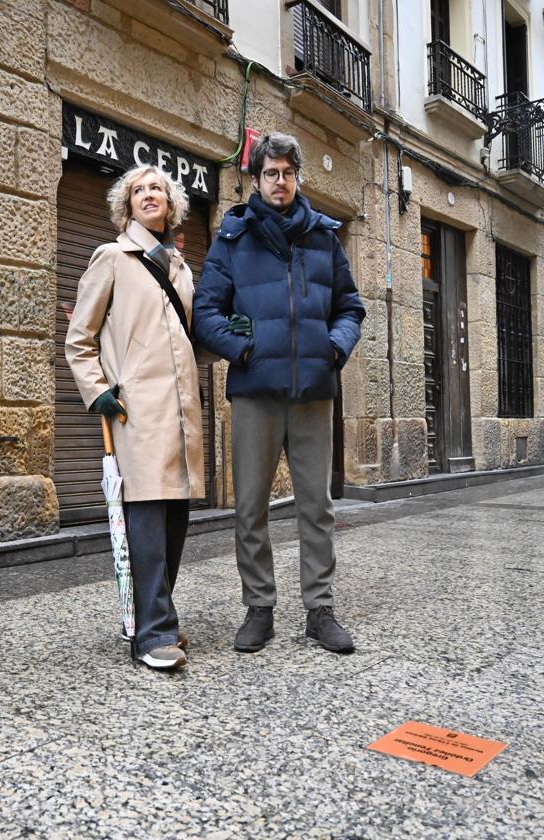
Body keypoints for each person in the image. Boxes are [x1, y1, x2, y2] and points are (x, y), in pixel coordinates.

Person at [193, 131, 366, 655]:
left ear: (297, 177)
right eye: (271, 173)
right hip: (255, 392)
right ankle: (259, 609)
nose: (280, 182)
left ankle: (320, 609)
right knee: (250, 507)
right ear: (256, 178)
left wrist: (332, 348)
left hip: (314, 390)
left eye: (288, 173)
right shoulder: (233, 238)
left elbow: (350, 307)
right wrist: (245, 350)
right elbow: (205, 311)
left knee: (317, 505)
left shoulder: (323, 237)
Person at [65, 165, 206, 670]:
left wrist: (226, 334)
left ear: (171, 205)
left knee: (174, 524)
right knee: (145, 525)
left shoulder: (182, 270)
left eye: (158, 189)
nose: (149, 195)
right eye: (139, 190)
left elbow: (187, 342)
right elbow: (79, 339)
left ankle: (157, 616)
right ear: (127, 206)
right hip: (136, 413)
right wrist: (97, 392)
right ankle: (150, 636)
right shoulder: (111, 258)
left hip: (183, 414)